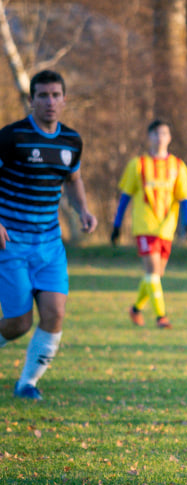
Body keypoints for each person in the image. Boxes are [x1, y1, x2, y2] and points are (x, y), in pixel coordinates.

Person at [0, 70, 98, 400]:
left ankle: (27, 383)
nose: (50, 102)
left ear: (65, 99)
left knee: (55, 313)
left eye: (56, 95)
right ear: (32, 101)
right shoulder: (11, 137)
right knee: (18, 324)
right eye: (43, 95)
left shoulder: (72, 141)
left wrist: (83, 209)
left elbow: (73, 179)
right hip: (11, 243)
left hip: (50, 244)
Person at [111, 119, 187, 329]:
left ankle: (136, 309)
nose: (160, 137)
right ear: (149, 137)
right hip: (144, 226)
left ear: (170, 138)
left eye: (164, 133)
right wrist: (117, 224)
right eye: (156, 133)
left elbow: (185, 197)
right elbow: (125, 196)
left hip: (166, 228)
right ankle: (161, 317)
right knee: (152, 271)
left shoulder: (177, 165)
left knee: (156, 275)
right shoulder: (137, 164)